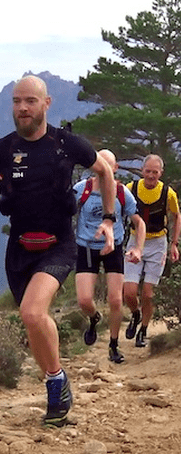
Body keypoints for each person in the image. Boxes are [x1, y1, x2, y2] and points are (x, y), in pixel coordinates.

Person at [0, 75, 116, 427]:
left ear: (46, 104)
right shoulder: (4, 149)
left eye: (30, 101)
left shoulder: (67, 144)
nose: (22, 107)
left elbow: (105, 173)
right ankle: (57, 377)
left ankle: (55, 384)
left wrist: (109, 220)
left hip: (59, 244)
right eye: (17, 101)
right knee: (31, 319)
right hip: (19, 247)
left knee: (34, 313)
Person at [74, 149, 146, 364]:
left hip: (114, 247)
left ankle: (114, 345)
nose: (103, 169)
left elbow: (139, 222)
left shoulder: (122, 193)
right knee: (84, 300)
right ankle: (94, 318)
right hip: (86, 247)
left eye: (108, 165)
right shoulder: (81, 190)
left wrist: (138, 249)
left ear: (115, 168)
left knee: (116, 300)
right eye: (99, 163)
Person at [123, 154, 181, 347]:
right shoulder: (130, 189)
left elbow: (177, 216)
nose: (150, 176)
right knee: (129, 292)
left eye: (155, 172)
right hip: (134, 240)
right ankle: (135, 314)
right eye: (147, 171)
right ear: (142, 170)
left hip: (157, 243)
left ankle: (144, 330)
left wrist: (174, 243)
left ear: (161, 173)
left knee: (148, 294)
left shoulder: (168, 193)